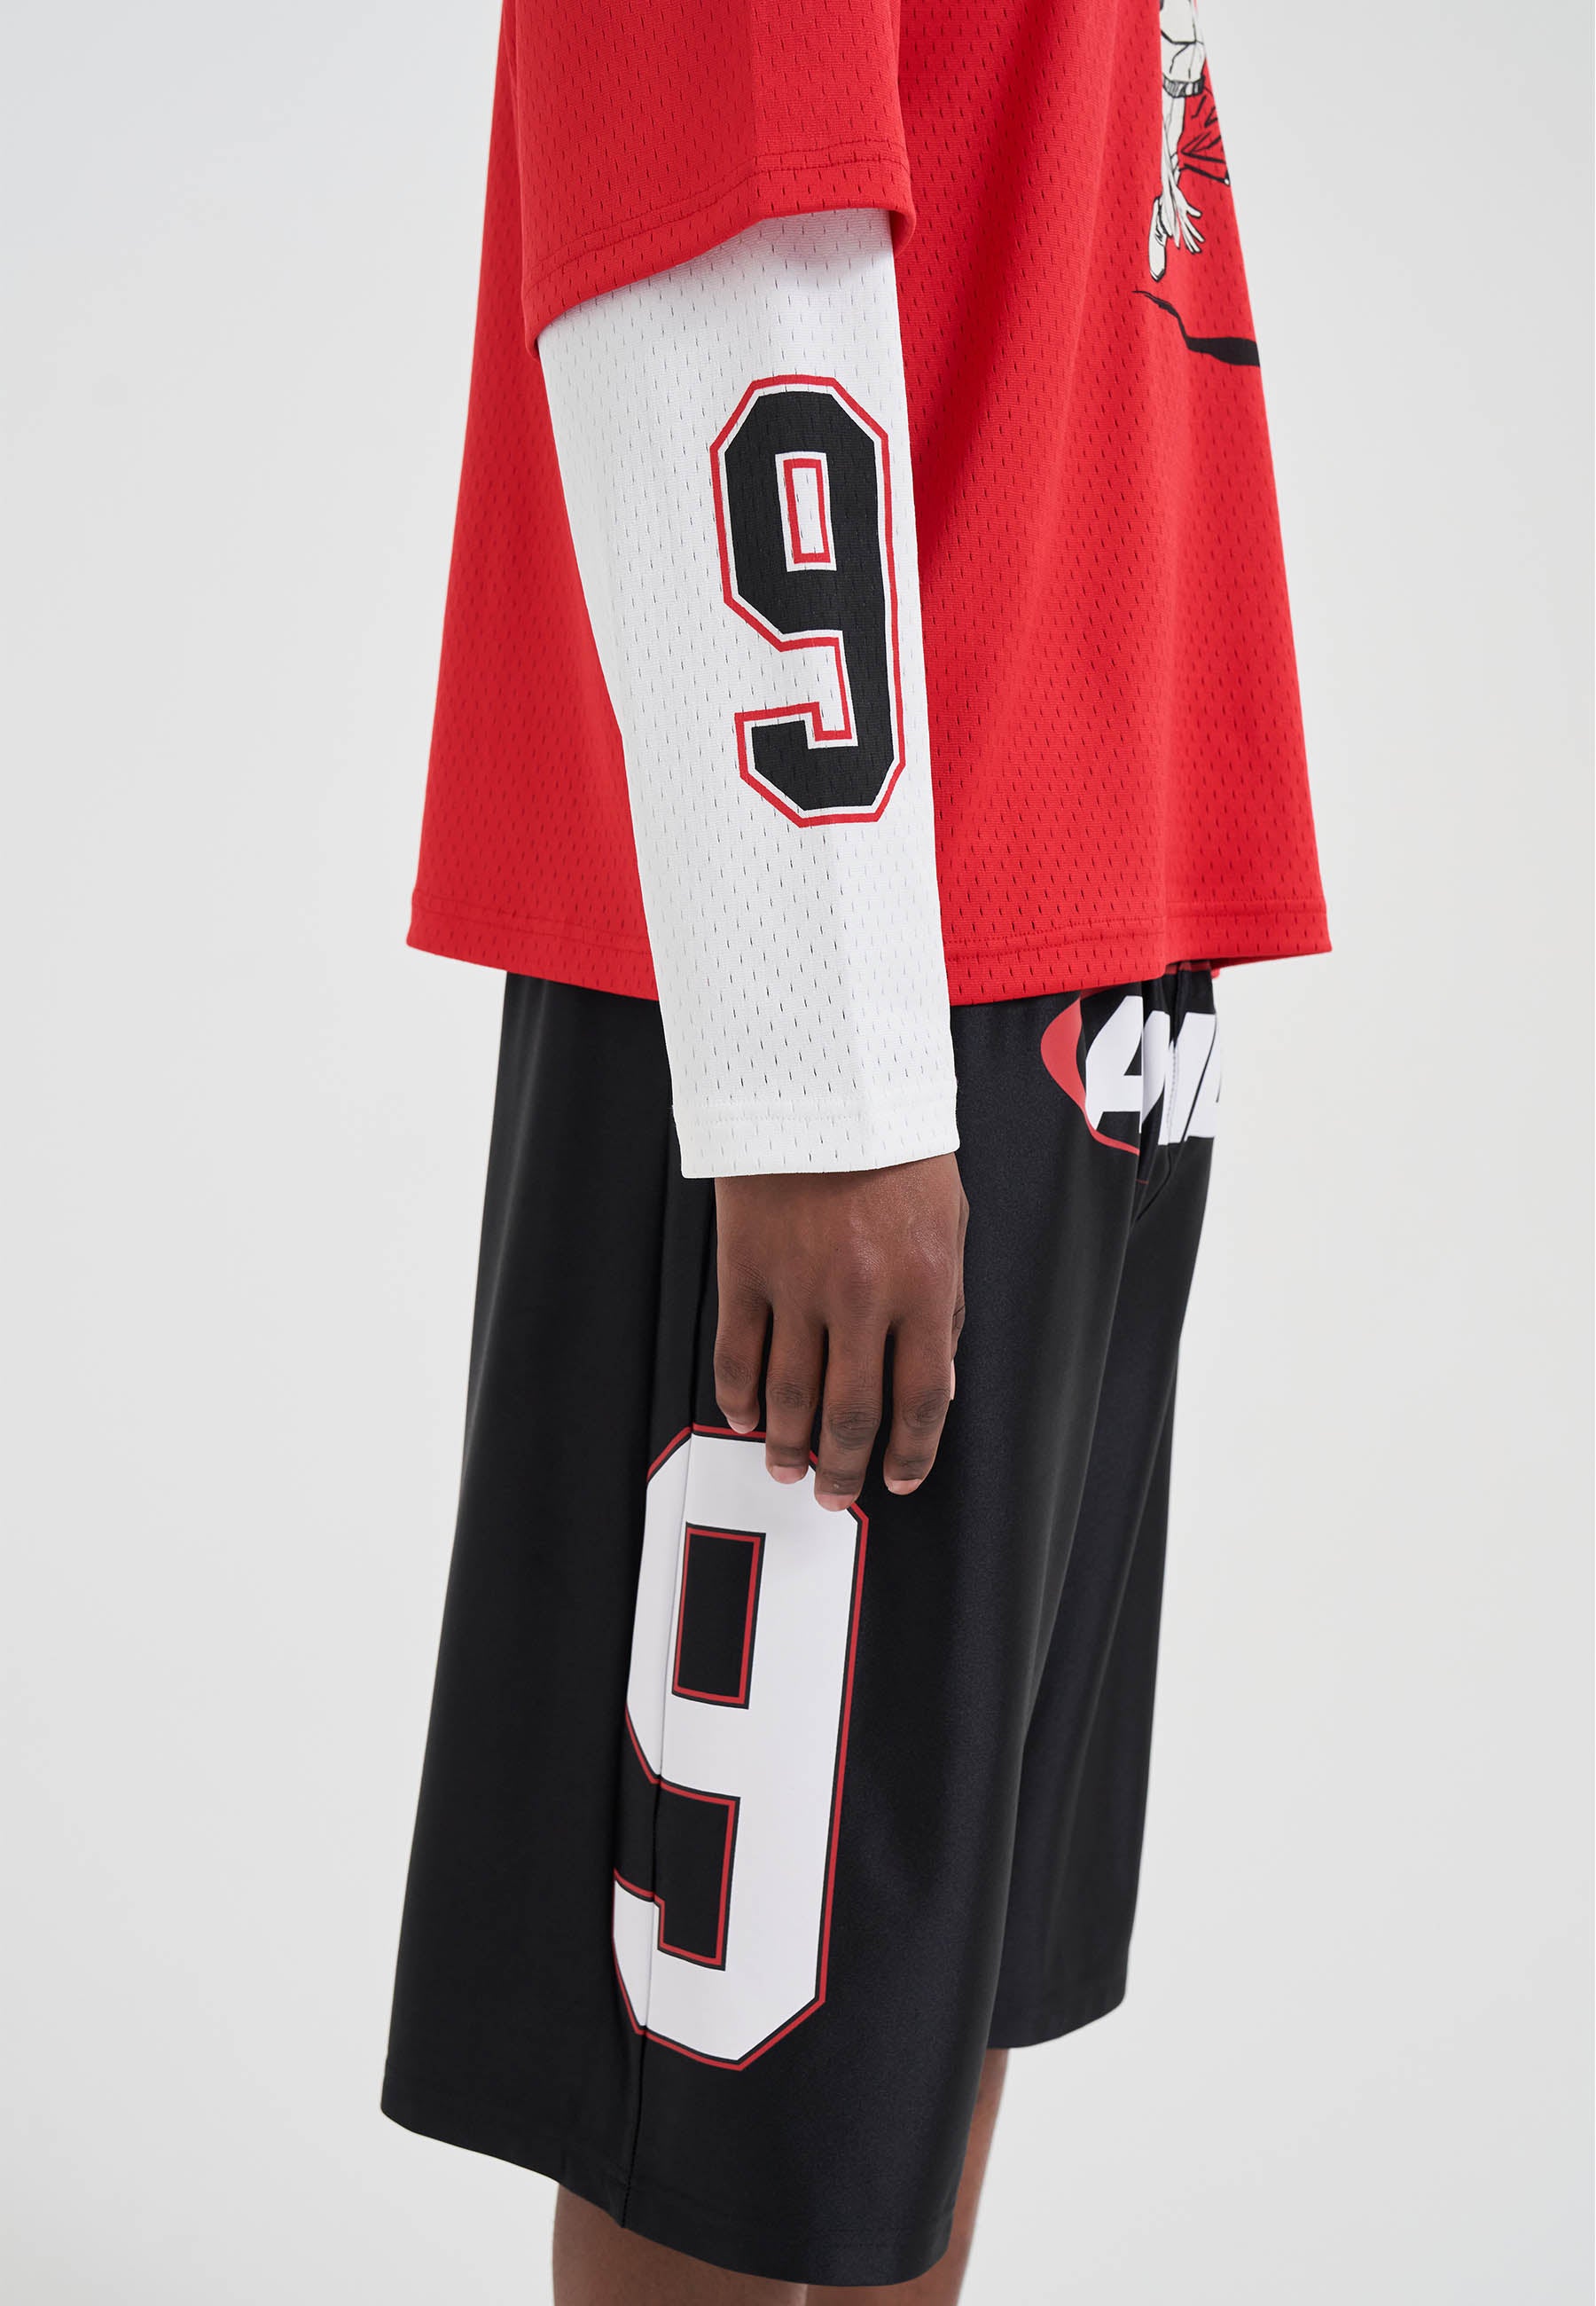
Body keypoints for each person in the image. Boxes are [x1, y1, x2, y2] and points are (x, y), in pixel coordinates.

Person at [381, 1, 1328, 2297]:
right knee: (730, 2039)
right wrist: (816, 1072)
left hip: (1083, 889)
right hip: (858, 937)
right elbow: (701, 201)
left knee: (919, 2000)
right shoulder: (829, 1036)